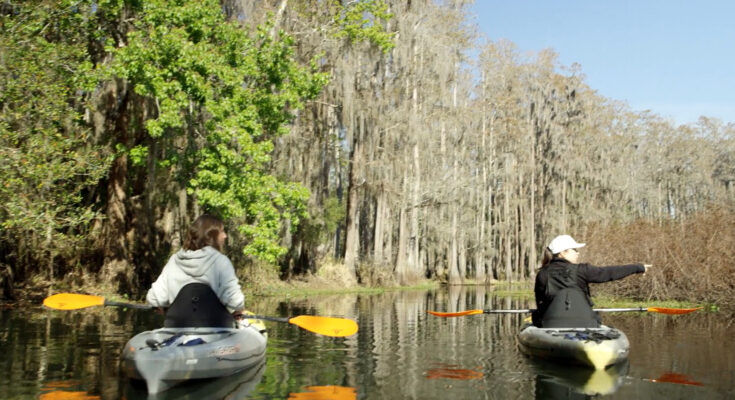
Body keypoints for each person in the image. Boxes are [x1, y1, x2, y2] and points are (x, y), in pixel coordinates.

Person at [146, 214, 245, 328]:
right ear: (211, 236)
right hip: (215, 329)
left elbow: (154, 298)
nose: (225, 236)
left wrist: (163, 309)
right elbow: (235, 300)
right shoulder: (221, 262)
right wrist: (238, 309)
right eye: (222, 231)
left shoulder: (174, 260)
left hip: (177, 330)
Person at [532, 234, 651, 328]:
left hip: (551, 324)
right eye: (574, 249)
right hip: (585, 322)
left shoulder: (542, 274)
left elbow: (540, 304)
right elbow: (609, 273)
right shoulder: (582, 270)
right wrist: (637, 267)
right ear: (563, 253)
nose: (577, 253)